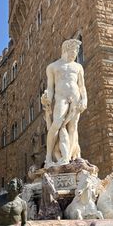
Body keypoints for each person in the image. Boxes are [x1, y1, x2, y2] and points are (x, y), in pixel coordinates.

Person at [42, 39, 87, 168]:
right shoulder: (53, 67)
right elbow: (50, 87)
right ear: (66, 50)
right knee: (56, 124)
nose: (75, 54)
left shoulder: (78, 67)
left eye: (77, 52)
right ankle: (49, 157)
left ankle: (68, 157)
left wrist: (84, 100)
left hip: (76, 98)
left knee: (73, 127)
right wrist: (47, 99)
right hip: (61, 97)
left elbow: (82, 86)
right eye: (73, 51)